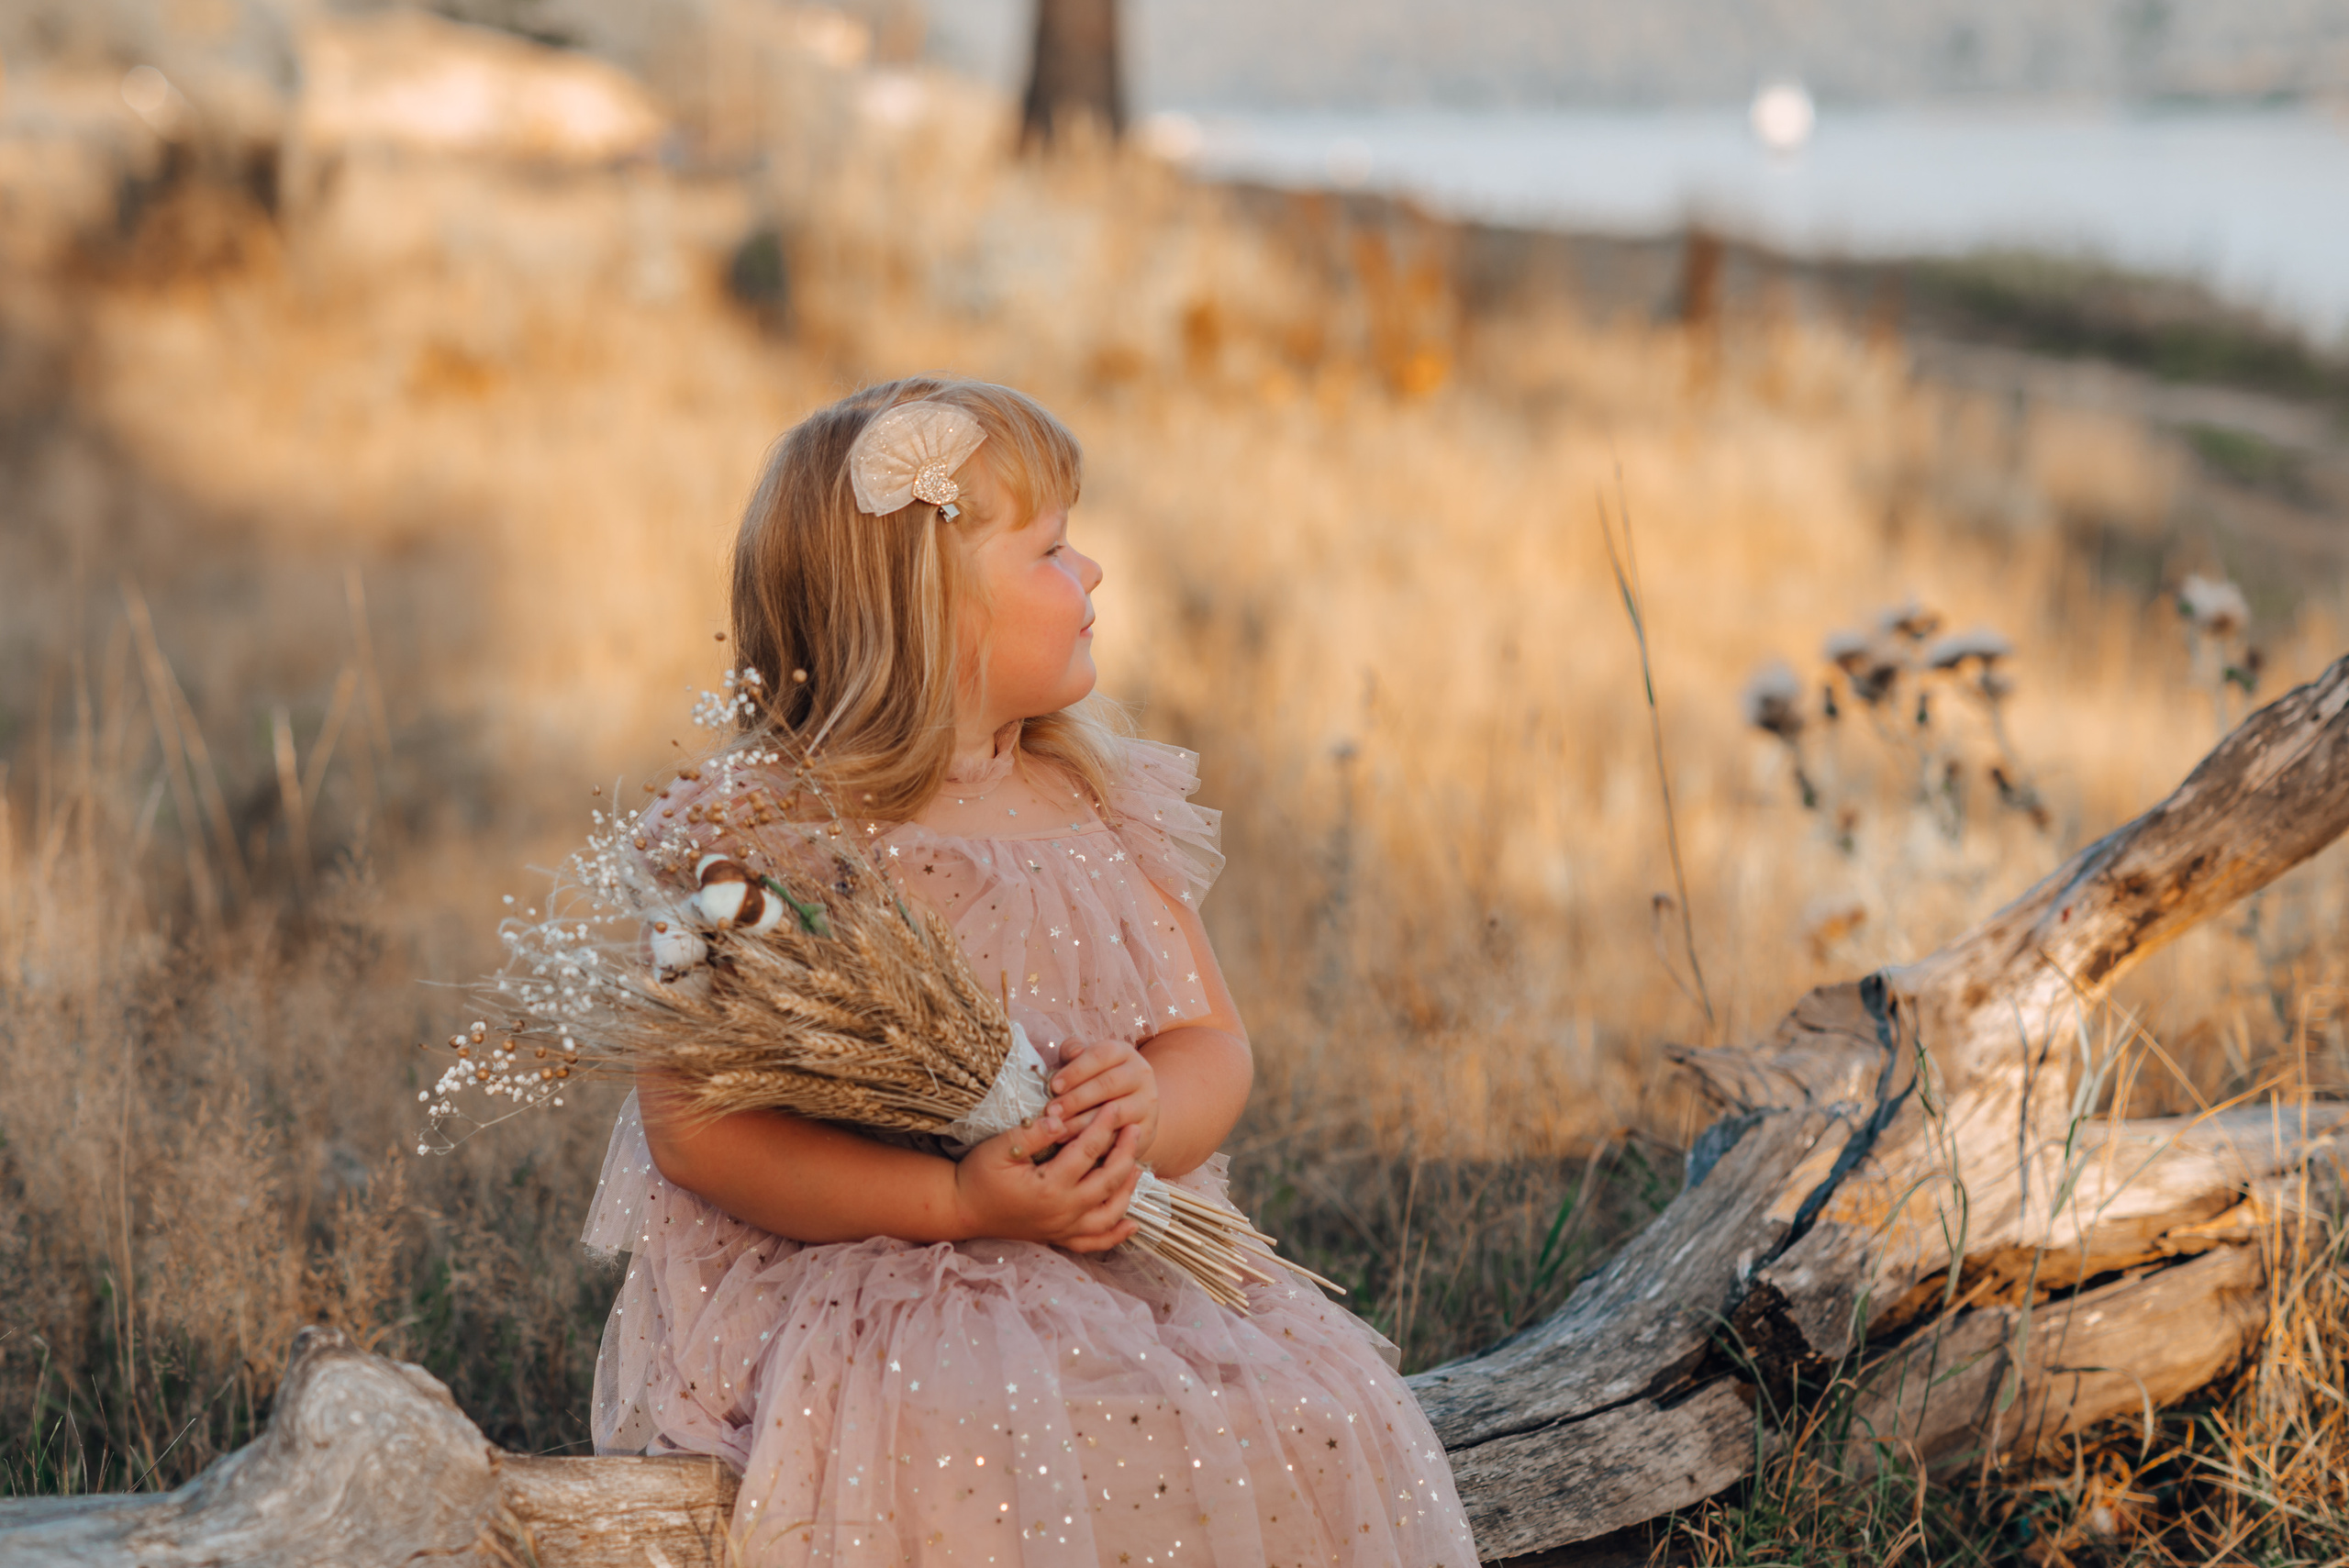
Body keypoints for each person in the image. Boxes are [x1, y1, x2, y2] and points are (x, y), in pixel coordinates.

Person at [579, 375, 1476, 1567]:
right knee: (968, 1435)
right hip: (877, 1272)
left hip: (1113, 1249)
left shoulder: (1091, 802)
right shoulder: (769, 837)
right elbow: (695, 1133)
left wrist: (1146, 1113)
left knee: (1327, 1410)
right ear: (931, 609)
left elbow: (1215, 1042)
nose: (1094, 571)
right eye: (1053, 548)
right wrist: (958, 1205)